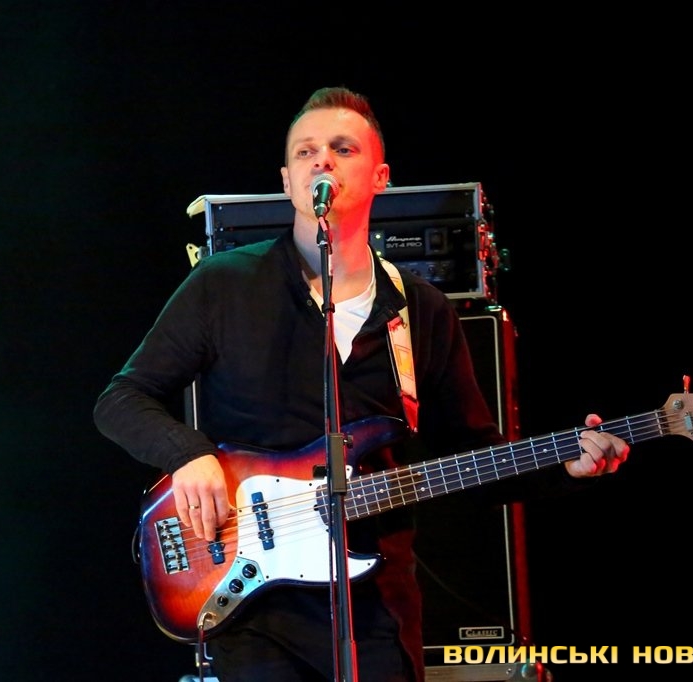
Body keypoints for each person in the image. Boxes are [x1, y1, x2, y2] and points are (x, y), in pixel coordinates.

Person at [93, 86, 630, 682]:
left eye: (342, 148)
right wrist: (188, 455)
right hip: (254, 609)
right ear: (287, 180)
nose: (321, 160)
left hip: (377, 604)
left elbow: (470, 455)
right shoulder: (225, 285)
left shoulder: (421, 309)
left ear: (380, 177)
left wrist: (564, 467)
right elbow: (121, 399)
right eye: (305, 152)